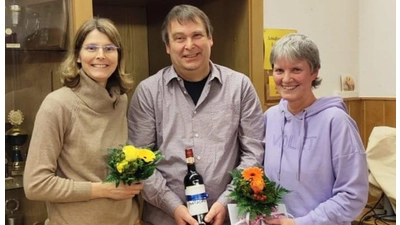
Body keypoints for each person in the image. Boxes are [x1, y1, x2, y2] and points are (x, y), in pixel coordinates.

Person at [127, 4, 264, 225]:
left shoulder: (239, 87)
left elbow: (253, 153)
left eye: (197, 35)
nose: (189, 45)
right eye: (179, 38)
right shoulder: (148, 92)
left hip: (228, 217)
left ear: (211, 39)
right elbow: (140, 162)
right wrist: (173, 207)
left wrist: (226, 201)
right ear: (168, 46)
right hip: (165, 219)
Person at [23, 18, 144, 225]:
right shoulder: (57, 105)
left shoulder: (120, 100)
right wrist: (101, 190)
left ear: (118, 55)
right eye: (91, 48)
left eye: (109, 48)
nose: (101, 55)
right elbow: (35, 184)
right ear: (78, 56)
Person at [263, 33, 369, 225]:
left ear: (315, 72)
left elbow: (353, 195)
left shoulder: (336, 122)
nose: (286, 79)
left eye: (296, 69)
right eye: (279, 70)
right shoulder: (270, 117)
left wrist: (301, 223)